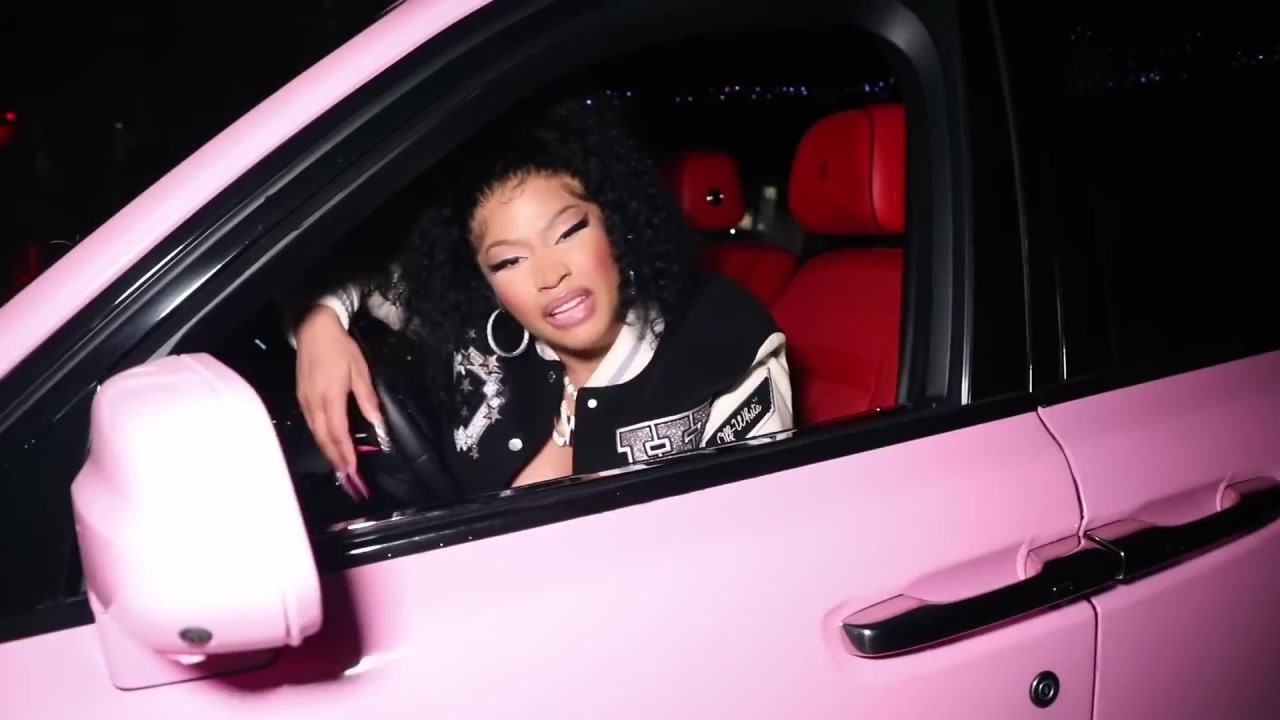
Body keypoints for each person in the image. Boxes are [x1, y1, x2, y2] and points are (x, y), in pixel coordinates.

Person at [292, 96, 793, 500]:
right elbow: (355, 276)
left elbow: (756, 528)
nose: (550, 275)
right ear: (481, 279)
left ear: (615, 219)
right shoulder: (481, 331)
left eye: (569, 231)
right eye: (509, 261)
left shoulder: (721, 338)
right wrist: (321, 322)